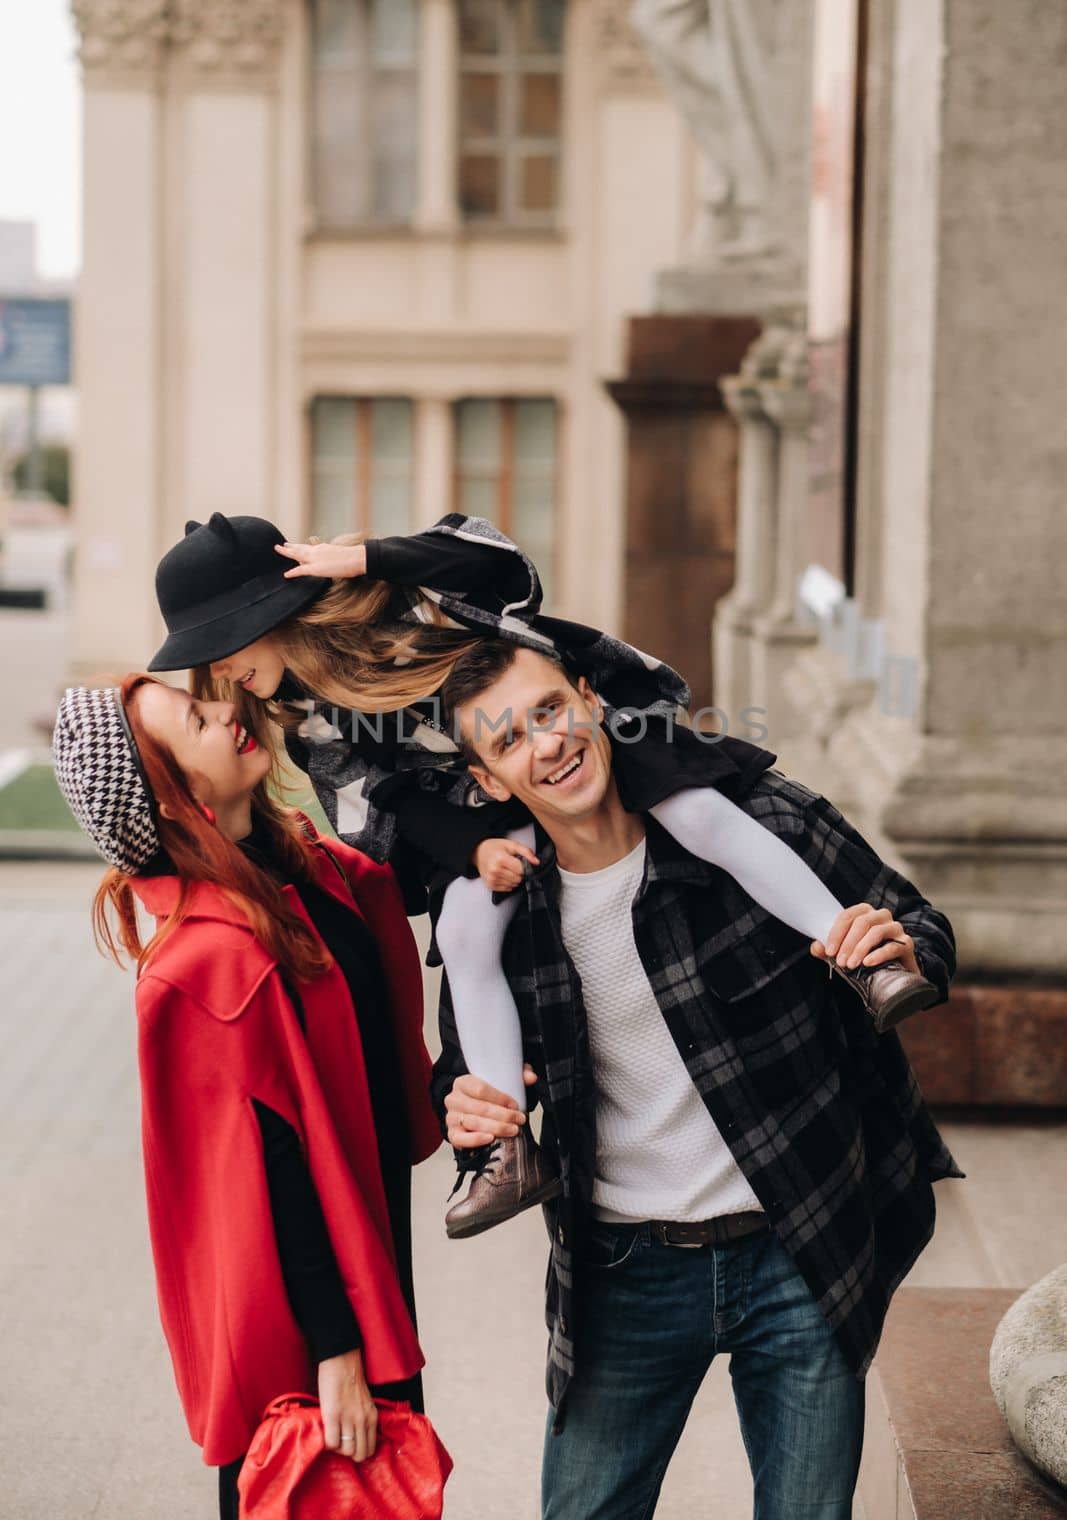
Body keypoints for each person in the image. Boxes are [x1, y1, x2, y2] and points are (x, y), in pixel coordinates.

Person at [146, 510, 940, 1241]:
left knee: (700, 816)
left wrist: (368, 557)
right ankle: (503, 1152)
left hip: (569, 733)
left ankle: (858, 957)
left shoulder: (399, 602)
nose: (218, 668)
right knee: (464, 931)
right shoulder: (305, 715)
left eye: (222, 641)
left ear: (269, 612)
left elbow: (502, 566)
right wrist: (469, 851)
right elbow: (384, 798)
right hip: (481, 806)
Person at [433, 639, 964, 1520]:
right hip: (620, 1269)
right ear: (489, 780)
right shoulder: (502, 911)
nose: (547, 745)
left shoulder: (755, 819)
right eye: (508, 740)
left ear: (591, 701)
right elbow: (464, 1071)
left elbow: (918, 920)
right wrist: (463, 1110)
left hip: (797, 1239)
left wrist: (905, 950)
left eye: (550, 710)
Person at [52, 676, 442, 1520]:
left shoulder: (299, 871)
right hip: (314, 1320)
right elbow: (265, 1172)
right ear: (175, 794)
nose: (228, 713)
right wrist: (336, 1350)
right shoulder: (202, 963)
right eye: (198, 720)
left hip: (371, 1247)